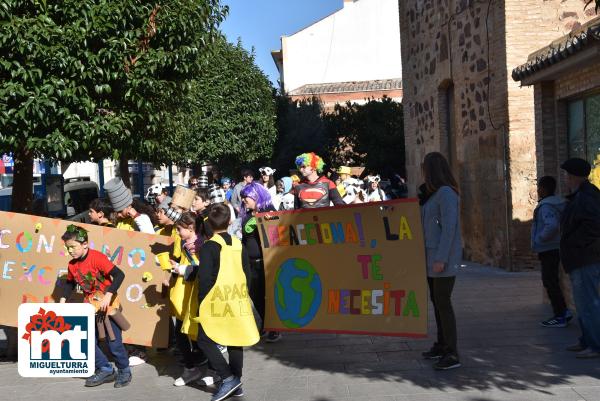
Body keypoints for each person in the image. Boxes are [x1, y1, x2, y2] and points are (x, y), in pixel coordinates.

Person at [196, 204, 259, 401]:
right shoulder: (238, 243)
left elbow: (204, 279)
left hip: (215, 300)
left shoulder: (209, 247)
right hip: (237, 297)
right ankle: (237, 384)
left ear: (208, 222)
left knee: (204, 340)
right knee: (235, 340)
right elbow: (247, 272)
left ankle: (228, 377)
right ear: (229, 221)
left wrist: (201, 302)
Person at [59, 224, 131, 388]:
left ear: (84, 244)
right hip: (91, 307)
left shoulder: (97, 258)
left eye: (73, 247)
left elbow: (119, 274)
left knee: (114, 343)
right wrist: (63, 299)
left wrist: (108, 294)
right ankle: (105, 369)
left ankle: (124, 371)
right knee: (87, 341)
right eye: (67, 248)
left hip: (109, 307)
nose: (70, 251)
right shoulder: (72, 265)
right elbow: (70, 284)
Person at [418, 152, 462, 370]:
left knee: (443, 303)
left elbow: (449, 228)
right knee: (437, 302)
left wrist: (441, 258)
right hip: (430, 258)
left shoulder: (445, 194)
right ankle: (442, 344)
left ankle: (452, 353)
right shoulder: (432, 195)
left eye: (424, 168)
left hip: (441, 259)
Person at [559, 158, 600, 359]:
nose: (565, 179)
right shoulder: (580, 195)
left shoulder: (587, 197)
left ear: (574, 176)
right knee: (583, 303)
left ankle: (595, 345)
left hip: (585, 259)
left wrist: (574, 243)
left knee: (588, 303)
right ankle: (586, 340)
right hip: (579, 259)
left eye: (567, 175)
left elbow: (594, 226)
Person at [167, 212, 209, 386]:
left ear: (191, 228)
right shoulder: (187, 244)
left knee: (203, 335)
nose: (177, 233)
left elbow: (202, 269)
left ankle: (213, 370)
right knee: (180, 332)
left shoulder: (201, 245)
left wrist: (182, 269)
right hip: (185, 293)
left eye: (179, 229)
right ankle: (191, 368)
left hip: (198, 295)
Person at [239, 182, 281, 343]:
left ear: (257, 196)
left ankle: (274, 327)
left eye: (246, 196)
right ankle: (266, 323)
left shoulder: (269, 212)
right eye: (242, 197)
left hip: (266, 262)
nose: (243, 200)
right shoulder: (248, 215)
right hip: (250, 262)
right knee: (255, 294)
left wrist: (271, 219)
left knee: (268, 296)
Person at [530, 176, 571, 328]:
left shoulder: (546, 206)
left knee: (549, 282)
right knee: (553, 281)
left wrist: (540, 239)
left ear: (545, 189)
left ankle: (559, 315)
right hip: (555, 247)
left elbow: (552, 225)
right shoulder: (556, 203)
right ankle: (564, 311)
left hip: (549, 248)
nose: (538, 190)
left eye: (539, 187)